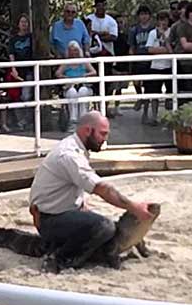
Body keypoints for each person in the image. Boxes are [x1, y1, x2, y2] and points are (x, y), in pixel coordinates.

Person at [27, 110, 154, 273]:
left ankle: (89, 253)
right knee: (105, 226)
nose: (105, 139)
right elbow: (102, 189)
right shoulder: (70, 155)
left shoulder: (77, 148)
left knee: (105, 228)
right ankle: (60, 260)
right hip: (49, 220)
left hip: (59, 213)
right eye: (102, 134)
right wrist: (134, 207)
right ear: (87, 130)